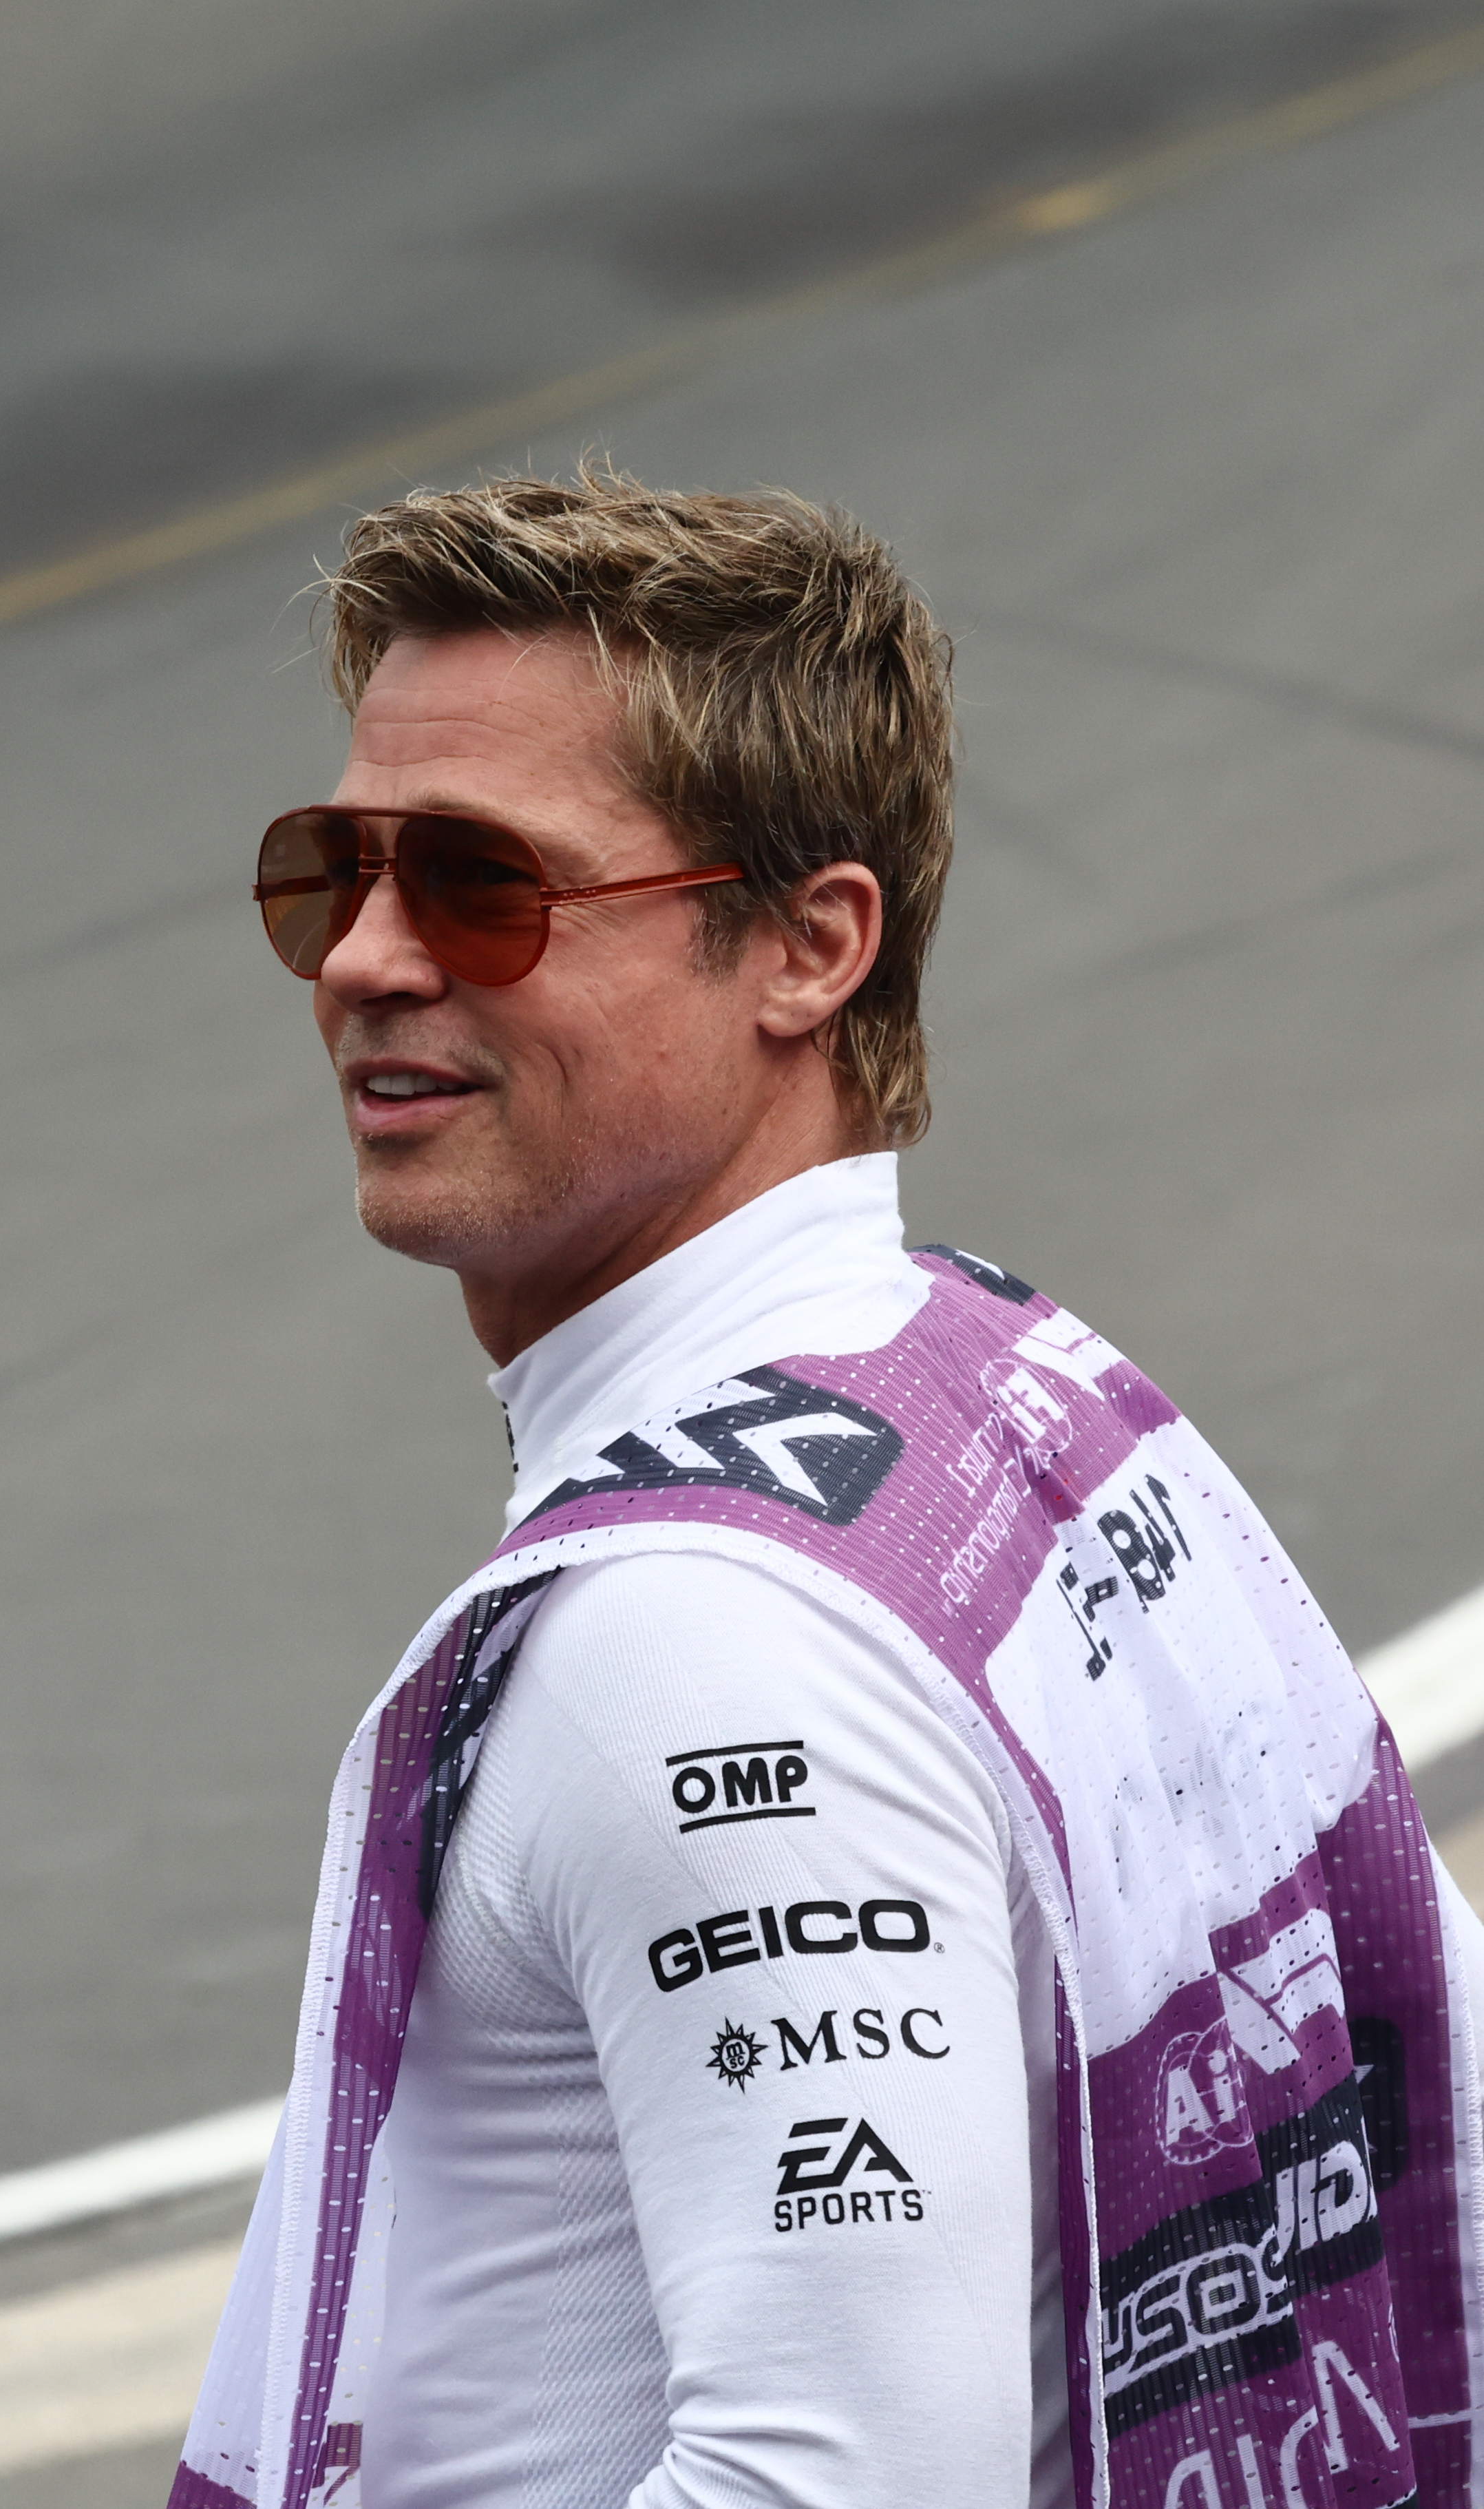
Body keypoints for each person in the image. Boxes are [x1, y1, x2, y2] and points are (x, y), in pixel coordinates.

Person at [171, 474, 1484, 2509]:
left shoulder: (691, 1649)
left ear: (808, 945)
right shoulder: (1026, 1391)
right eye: (328, 871)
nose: (360, 957)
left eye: (480, 887)